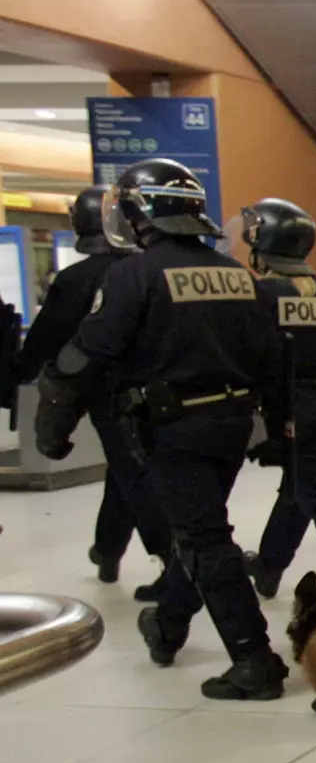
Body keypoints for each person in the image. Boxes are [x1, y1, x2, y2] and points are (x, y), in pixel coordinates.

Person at [34, 159, 290, 699]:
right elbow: (272, 358)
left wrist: (52, 431)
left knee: (204, 540)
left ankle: (255, 660)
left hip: (173, 429)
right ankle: (169, 624)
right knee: (195, 533)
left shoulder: (134, 274)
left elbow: (86, 357)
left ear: (138, 213)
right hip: (232, 426)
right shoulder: (238, 275)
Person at [19, 189, 171, 600]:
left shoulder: (76, 279)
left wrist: (18, 378)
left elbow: (47, 340)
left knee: (133, 476)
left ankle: (171, 563)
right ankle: (107, 548)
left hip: (103, 392)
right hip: (154, 389)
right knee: (127, 473)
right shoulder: (149, 269)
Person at [238, 199, 316, 601]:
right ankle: (269, 566)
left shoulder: (258, 295)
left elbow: (247, 355)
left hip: (285, 411)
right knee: (298, 489)